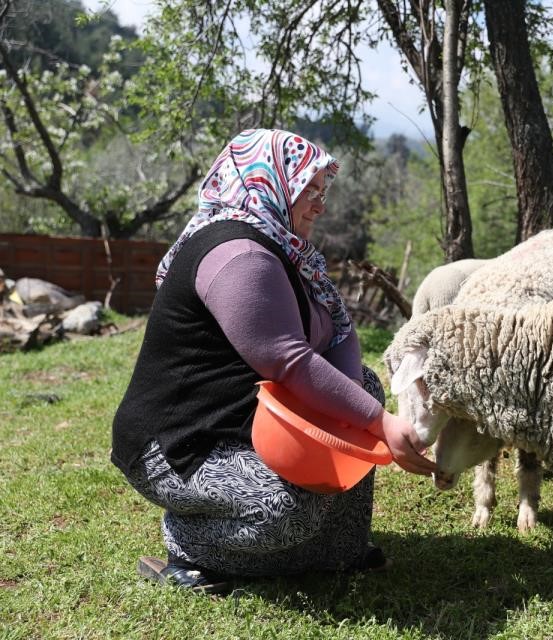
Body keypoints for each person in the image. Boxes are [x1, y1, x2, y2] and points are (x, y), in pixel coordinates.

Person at [111, 128, 435, 594]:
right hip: (180, 444)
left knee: (359, 385)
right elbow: (287, 360)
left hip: (241, 420)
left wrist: (348, 421)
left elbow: (338, 332)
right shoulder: (239, 254)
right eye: (310, 190)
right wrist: (378, 423)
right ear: (269, 182)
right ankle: (187, 543)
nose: (321, 205)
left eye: (323, 191)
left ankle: (336, 551)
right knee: (286, 511)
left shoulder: (286, 250)